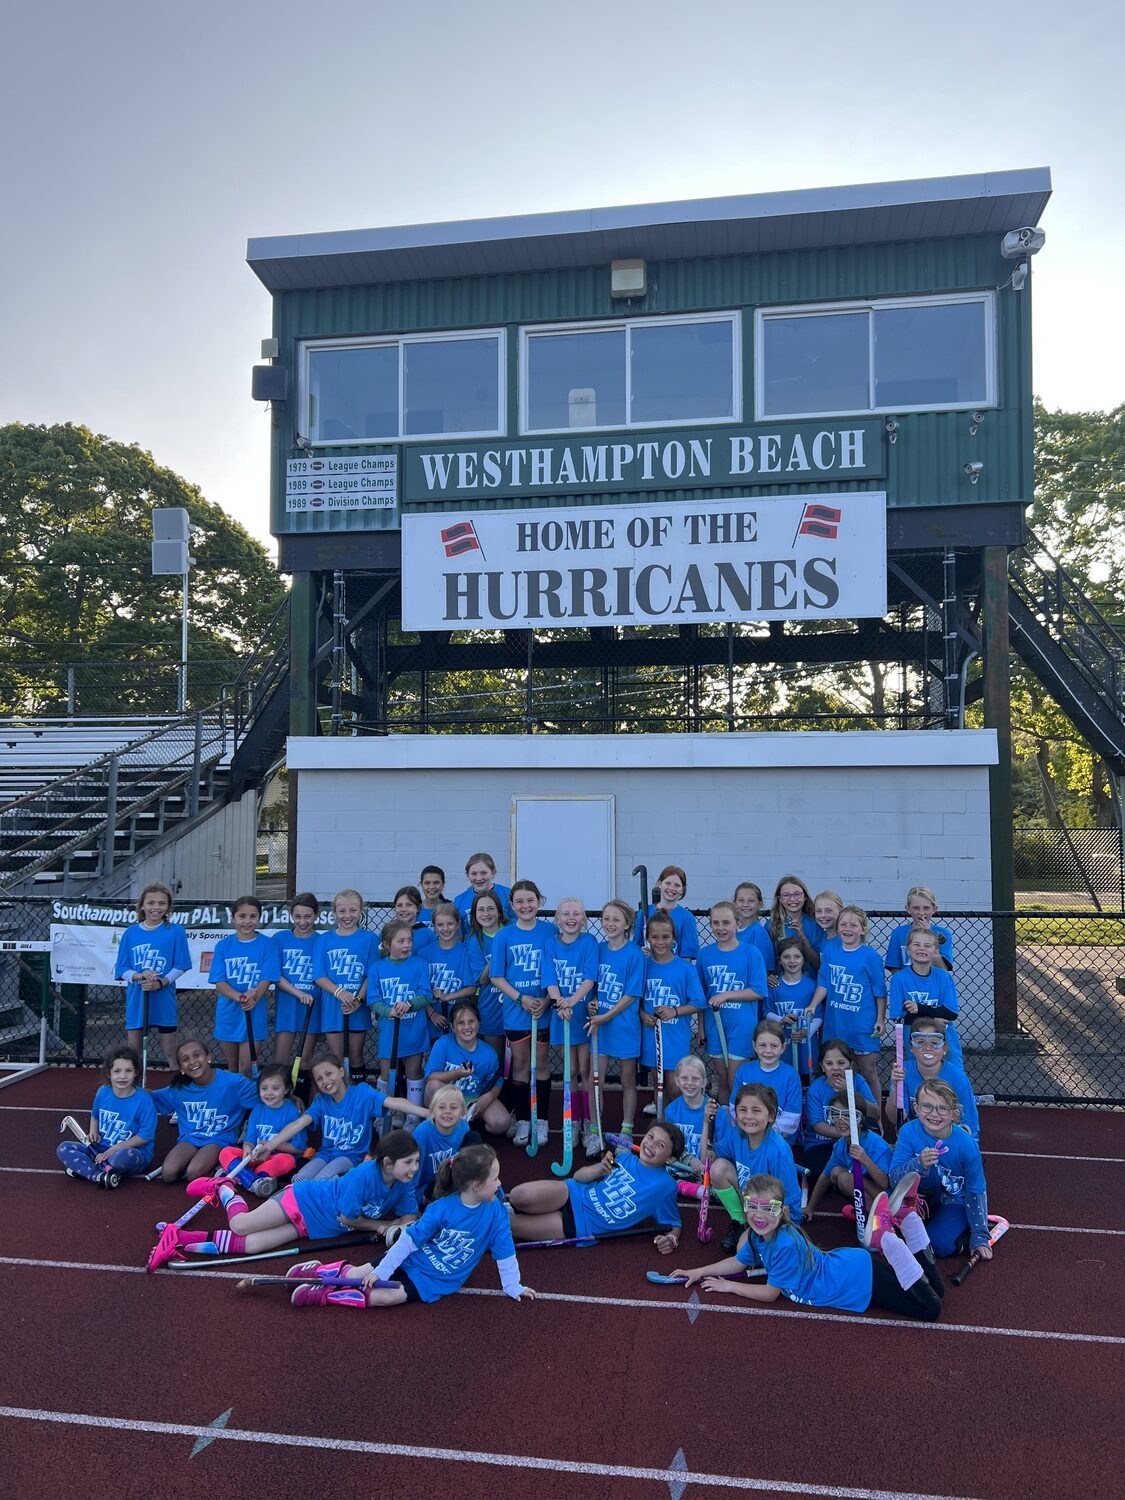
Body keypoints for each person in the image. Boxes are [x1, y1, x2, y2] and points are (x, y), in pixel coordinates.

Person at [289, 1143, 536, 1309]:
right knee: (360, 1275)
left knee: (385, 1297)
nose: (500, 1182)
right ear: (476, 1185)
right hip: (413, 1256)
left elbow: (505, 1251)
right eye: (495, 1178)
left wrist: (513, 1286)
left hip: (434, 1279)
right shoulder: (441, 1209)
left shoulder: (496, 1211)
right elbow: (408, 1241)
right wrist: (382, 1271)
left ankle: (326, 1295)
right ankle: (327, 1272)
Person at [669, 1172, 943, 1321]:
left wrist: (730, 1286)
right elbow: (737, 1262)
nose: (758, 1215)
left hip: (856, 1283)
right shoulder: (756, 1235)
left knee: (930, 1310)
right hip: (853, 1270)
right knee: (936, 1290)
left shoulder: (785, 1244)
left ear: (783, 1211)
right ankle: (909, 1222)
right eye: (752, 1206)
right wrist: (699, 1271)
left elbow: (769, 1294)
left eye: (769, 1208)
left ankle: (886, 1240)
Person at [161, 1129, 422, 1264]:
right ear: (388, 1163)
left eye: (417, 1162)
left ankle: (181, 1239)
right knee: (240, 1225)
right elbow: (347, 1217)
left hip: (312, 1227)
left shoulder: (405, 1181)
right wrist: (383, 1226)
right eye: (409, 1162)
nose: (414, 1168)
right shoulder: (365, 1175)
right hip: (303, 1199)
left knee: (251, 1247)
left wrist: (403, 1229)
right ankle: (224, 1187)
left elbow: (409, 1215)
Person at [507, 1121, 684, 1254]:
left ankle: (494, 1215)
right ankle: (511, 1208)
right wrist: (599, 1168)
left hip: (583, 1225)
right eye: (650, 1136)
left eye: (660, 1145)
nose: (651, 1144)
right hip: (573, 1192)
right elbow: (578, 1177)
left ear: (670, 1159)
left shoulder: (665, 1186)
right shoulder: (625, 1158)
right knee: (517, 1196)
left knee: (508, 1225)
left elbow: (673, 1224)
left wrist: (671, 1240)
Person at [889, 1080, 990, 1260]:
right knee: (891, 1230)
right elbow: (894, 1179)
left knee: (938, 1245)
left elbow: (976, 1190)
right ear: (916, 1108)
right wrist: (918, 1164)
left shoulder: (967, 1145)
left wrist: (980, 1236)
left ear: (954, 1114)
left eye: (942, 1109)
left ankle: (960, 1231)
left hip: (954, 1199)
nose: (934, 1114)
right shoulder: (908, 1132)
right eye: (927, 1106)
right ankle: (927, 1218)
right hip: (921, 1196)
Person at [255, 1052, 386, 1181]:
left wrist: (408, 1109)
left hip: (351, 1156)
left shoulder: (361, 1093)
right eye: (319, 1078)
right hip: (325, 1154)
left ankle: (337, 1193)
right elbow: (298, 1123)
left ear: (341, 1071)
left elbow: (392, 1102)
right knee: (299, 1179)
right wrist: (270, 1145)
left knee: (321, 1180)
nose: (325, 1080)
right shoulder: (321, 1101)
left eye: (329, 1074)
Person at [490, 878, 552, 1147]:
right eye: (519, 901)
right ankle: (525, 1118)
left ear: (539, 902)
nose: (526, 905)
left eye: (530, 900)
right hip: (517, 1011)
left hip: (543, 1009)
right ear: (512, 906)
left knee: (542, 1063)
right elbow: (496, 976)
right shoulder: (504, 935)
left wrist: (548, 999)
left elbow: (559, 968)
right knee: (520, 1065)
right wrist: (521, 998)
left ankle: (542, 1121)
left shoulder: (550, 932)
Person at [191, 1062, 307, 1200]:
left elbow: (299, 1148)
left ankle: (241, 1177)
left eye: (275, 1088)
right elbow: (250, 1139)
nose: (269, 1093)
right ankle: (254, 1181)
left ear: (286, 1089)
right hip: (255, 1157)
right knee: (226, 1152)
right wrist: (247, 1148)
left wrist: (271, 1145)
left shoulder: (293, 1111)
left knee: (287, 1160)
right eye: (264, 1088)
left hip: (277, 1156)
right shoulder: (258, 1110)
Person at [151, 1038, 259, 1183]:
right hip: (190, 1138)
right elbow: (147, 1098)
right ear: (181, 1069)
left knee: (193, 1173)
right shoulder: (178, 1090)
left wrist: (291, 1098)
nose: (193, 1061)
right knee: (168, 1174)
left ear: (208, 1057)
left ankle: (220, 1167)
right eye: (185, 1059)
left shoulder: (234, 1083)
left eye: (197, 1055)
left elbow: (266, 1096)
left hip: (220, 1138)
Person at [811, 905, 886, 1103]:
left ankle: (874, 1117)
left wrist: (880, 1019)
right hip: (836, 1025)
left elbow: (880, 992)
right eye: (843, 924)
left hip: (862, 1026)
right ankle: (842, 1114)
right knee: (836, 1073)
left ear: (862, 929)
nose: (848, 928)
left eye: (854, 924)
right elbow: (824, 982)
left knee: (867, 1072)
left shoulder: (870, 957)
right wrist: (813, 1005)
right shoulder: (830, 950)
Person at [711, 1083, 803, 1246]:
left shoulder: (777, 1151)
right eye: (743, 1110)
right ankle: (740, 1222)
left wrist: (787, 1233)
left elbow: (790, 1199)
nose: (748, 1116)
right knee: (718, 1168)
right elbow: (709, 1158)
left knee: (742, 1250)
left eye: (756, 1110)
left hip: (771, 1212)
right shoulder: (736, 1136)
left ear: (770, 1116)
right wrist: (706, 1122)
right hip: (751, 1205)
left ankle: (766, 1237)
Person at [57, 1045, 157, 1187]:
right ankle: (98, 1176)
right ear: (109, 1073)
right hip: (101, 1149)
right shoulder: (103, 1092)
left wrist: (115, 1149)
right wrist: (93, 1132)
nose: (122, 1076)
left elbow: (145, 1137)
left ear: (136, 1072)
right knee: (64, 1148)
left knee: (120, 1158)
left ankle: (87, 1169)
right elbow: (95, 1115)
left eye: (128, 1071)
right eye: (117, 1071)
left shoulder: (144, 1100)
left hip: (130, 1152)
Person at [588, 898, 644, 1152]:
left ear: (627, 924)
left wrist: (606, 1015)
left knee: (627, 1077)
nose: (610, 924)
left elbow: (631, 995)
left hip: (622, 1024)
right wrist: (594, 1002)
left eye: (616, 920)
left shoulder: (634, 954)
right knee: (594, 1078)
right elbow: (593, 984)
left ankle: (627, 1129)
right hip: (599, 1024)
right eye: (606, 919)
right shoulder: (598, 949)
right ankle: (594, 1130)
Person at [114, 883, 191, 1066]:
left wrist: (161, 982)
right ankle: (135, 1087)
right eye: (151, 903)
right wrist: (139, 976)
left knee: (170, 1049)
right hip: (137, 997)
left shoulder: (175, 931)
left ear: (168, 906)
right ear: (142, 905)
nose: (156, 907)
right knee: (134, 1050)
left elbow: (181, 964)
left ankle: (177, 1086)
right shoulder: (130, 933)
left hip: (163, 996)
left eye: (161, 903)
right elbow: (121, 968)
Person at [699, 900, 768, 1102]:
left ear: (737, 924)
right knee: (722, 1080)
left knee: (735, 1080)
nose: (721, 928)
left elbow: (758, 990)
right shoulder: (705, 954)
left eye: (726, 923)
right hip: (715, 1024)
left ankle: (741, 1126)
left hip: (741, 1024)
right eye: (716, 923)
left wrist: (727, 995)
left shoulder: (751, 953)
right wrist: (701, 1027)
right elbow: (701, 996)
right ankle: (723, 1126)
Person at [545, 897, 599, 1151]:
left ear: (583, 919)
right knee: (570, 1072)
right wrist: (558, 1003)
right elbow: (550, 978)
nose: (571, 917)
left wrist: (571, 1002)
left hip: (581, 1015)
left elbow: (589, 978)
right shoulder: (550, 944)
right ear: (557, 919)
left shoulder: (589, 942)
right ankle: (573, 1121)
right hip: (562, 1015)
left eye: (576, 913)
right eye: (565, 913)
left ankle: (591, 1124)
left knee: (586, 1071)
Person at [640, 911, 706, 1106]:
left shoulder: (685, 968)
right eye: (655, 937)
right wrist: (643, 1014)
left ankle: (680, 1126)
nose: (660, 942)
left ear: (674, 938)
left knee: (674, 1085)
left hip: (675, 1036)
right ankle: (664, 1126)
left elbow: (699, 1002)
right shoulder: (643, 966)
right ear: (648, 938)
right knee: (658, 1084)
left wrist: (674, 1011)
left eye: (666, 937)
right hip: (651, 1036)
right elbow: (634, 1000)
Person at [209, 896, 279, 1078]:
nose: (247, 921)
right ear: (233, 918)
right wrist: (239, 997)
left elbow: (267, 977)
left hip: (253, 1011)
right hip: (229, 1012)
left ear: (259, 918)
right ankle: (235, 1106)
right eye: (242, 916)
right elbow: (219, 982)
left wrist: (255, 996)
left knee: (246, 1068)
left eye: (252, 916)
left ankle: (248, 1104)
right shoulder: (223, 946)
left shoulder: (267, 944)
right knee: (232, 1069)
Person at [370, 919, 432, 1113]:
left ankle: (412, 1116)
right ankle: (385, 1115)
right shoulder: (377, 968)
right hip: (389, 1030)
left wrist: (410, 1004)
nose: (407, 945)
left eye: (409, 940)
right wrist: (388, 1011)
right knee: (387, 1073)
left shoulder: (419, 964)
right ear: (387, 944)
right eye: (401, 941)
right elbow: (373, 999)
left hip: (414, 1029)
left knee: (414, 1072)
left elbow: (426, 994)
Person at [313, 889, 375, 1081]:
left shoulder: (370, 939)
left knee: (356, 1055)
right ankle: (340, 1098)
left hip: (357, 1005)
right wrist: (340, 993)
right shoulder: (324, 940)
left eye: (353, 910)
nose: (347, 916)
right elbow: (319, 976)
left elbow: (372, 974)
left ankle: (358, 1097)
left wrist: (357, 999)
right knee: (337, 1058)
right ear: (334, 913)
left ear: (361, 911)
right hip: (333, 1006)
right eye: (342, 911)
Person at [800, 1039, 880, 1185]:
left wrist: (850, 1092)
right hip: (822, 1144)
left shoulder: (858, 1081)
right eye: (829, 1064)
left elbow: (875, 1113)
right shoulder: (816, 1089)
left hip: (855, 1142)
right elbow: (818, 1125)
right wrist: (846, 1133)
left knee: (873, 1160)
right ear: (822, 1067)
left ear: (850, 1064)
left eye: (841, 1063)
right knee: (815, 1174)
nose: (835, 1068)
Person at [804, 1088, 892, 1219]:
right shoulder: (841, 1144)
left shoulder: (875, 1143)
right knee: (836, 1172)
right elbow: (825, 1175)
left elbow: (884, 1182)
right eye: (835, 1114)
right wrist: (810, 1207)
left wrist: (865, 1159)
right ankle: (865, 1210)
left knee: (845, 1179)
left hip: (888, 1196)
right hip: (872, 1191)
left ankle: (880, 1217)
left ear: (861, 1120)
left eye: (848, 1116)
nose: (841, 1121)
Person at [424, 1001, 509, 1134]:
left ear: (478, 1024)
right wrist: (456, 1074)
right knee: (433, 1085)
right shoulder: (443, 1044)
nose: (467, 1027)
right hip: (448, 1097)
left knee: (501, 1123)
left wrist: (488, 1097)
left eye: (471, 1021)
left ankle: (469, 1124)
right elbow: (430, 1076)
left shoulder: (489, 1053)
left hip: (473, 1098)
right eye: (460, 1023)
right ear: (452, 1027)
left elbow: (497, 1083)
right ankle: (438, 1124)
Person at [888, 1017, 979, 1138]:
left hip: (947, 1137)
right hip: (917, 1137)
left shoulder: (957, 1077)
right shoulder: (903, 1072)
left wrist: (966, 1147)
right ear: (911, 1048)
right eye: (920, 1042)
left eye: (935, 1043)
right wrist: (895, 1086)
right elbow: (895, 1118)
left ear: (945, 1048)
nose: (928, 1048)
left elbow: (969, 1121)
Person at [386, 1084, 476, 1203]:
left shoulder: (464, 1127)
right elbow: (412, 1167)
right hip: (428, 1185)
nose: (447, 1112)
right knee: (442, 1195)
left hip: (452, 1178)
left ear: (463, 1112)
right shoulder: (423, 1132)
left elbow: (465, 1160)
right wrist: (411, 1200)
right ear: (432, 1111)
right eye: (441, 1107)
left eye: (453, 1108)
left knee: (474, 1137)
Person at [888, 929, 964, 1065]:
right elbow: (899, 1017)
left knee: (951, 1070)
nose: (922, 948)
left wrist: (919, 1008)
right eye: (916, 945)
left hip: (943, 1036)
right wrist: (935, 1018)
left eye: (927, 946)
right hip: (914, 1037)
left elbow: (951, 1013)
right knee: (914, 1071)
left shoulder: (944, 977)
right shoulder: (899, 979)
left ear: (935, 952)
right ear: (908, 950)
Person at [272, 893, 322, 1087]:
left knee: (305, 1061)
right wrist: (298, 993)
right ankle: (279, 1104)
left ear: (316, 915)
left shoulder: (322, 941)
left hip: (312, 1008)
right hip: (288, 1006)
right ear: (291, 915)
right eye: (298, 916)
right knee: (280, 1061)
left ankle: (303, 1103)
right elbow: (274, 974)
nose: (303, 922)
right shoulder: (280, 939)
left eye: (308, 916)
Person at [730, 1019, 804, 1145]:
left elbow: (792, 1119)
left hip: (777, 1139)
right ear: (754, 1046)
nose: (768, 1051)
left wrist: (760, 1131)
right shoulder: (744, 1071)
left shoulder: (791, 1076)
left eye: (774, 1046)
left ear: (783, 1047)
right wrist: (749, 1129)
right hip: (747, 1135)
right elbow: (734, 1108)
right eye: (762, 1045)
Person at [424, 902, 481, 1040]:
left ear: (458, 924)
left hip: (460, 1019)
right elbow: (419, 991)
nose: (445, 929)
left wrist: (446, 997)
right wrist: (432, 1014)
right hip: (434, 1018)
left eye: (450, 924)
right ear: (434, 926)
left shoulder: (465, 952)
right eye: (440, 925)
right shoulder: (424, 954)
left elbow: (471, 989)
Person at [463, 891, 508, 1063]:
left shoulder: (511, 930)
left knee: (518, 1061)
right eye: (481, 910)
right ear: (474, 914)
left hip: (516, 1002)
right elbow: (482, 978)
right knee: (495, 1059)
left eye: (491, 908)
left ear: (499, 911)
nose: (486, 913)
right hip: (490, 1004)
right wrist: (498, 948)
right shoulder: (474, 940)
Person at [767, 936, 820, 1082]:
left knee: (806, 1083)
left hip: (805, 1048)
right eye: (786, 957)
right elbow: (767, 1012)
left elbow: (819, 1015)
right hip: (783, 1049)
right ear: (779, 960)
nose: (792, 961)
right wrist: (781, 1020)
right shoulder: (774, 986)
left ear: (804, 959)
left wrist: (806, 1032)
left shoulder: (811, 986)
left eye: (797, 956)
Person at [634, 865, 700, 960]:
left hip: (673, 972)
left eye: (677, 885)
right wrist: (641, 951)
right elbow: (636, 946)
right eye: (668, 883)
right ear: (660, 884)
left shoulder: (686, 918)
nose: (672, 888)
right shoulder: (644, 913)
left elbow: (687, 958)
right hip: (648, 971)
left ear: (682, 890)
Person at [885, 886, 954, 972]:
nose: (921, 913)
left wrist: (929, 934)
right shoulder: (898, 933)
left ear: (934, 909)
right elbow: (894, 968)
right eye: (916, 908)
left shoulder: (943, 934)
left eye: (926, 908)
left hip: (933, 984)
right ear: (908, 909)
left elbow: (943, 969)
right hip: (907, 984)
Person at [664, 1054, 714, 1169]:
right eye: (684, 1078)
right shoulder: (671, 1111)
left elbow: (722, 1148)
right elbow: (670, 1146)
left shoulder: (715, 1111)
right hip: (678, 1169)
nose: (690, 1083)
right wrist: (690, 1160)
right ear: (677, 1080)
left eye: (695, 1078)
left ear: (704, 1082)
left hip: (707, 1172)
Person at [767, 875, 821, 973]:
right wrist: (769, 975)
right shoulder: (772, 925)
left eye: (797, 894)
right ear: (780, 899)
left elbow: (818, 963)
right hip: (781, 983)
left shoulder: (815, 924)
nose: (792, 899)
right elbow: (766, 959)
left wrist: (803, 937)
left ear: (804, 897)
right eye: (786, 895)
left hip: (809, 983)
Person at [452, 852, 512, 930]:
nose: (479, 878)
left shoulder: (507, 894)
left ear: (493, 873)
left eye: (484, 873)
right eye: (474, 874)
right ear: (467, 875)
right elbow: (459, 933)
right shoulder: (459, 901)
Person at [733, 882, 775, 973]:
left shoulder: (758, 933)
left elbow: (764, 969)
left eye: (751, 901)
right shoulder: (731, 930)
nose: (746, 904)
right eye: (741, 900)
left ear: (760, 904)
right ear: (735, 903)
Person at [392, 886, 436, 956]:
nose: (404, 909)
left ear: (418, 908)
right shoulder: (388, 933)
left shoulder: (427, 935)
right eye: (399, 905)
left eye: (409, 905)